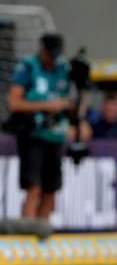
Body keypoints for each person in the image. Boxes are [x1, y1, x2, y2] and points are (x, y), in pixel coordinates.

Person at [7, 33, 71, 219]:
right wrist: (47, 105)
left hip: (56, 135)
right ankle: (27, 234)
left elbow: (69, 98)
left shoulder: (62, 69)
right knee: (33, 187)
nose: (52, 58)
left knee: (51, 189)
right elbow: (14, 103)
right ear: (41, 49)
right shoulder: (27, 66)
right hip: (33, 134)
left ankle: (42, 233)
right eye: (49, 53)